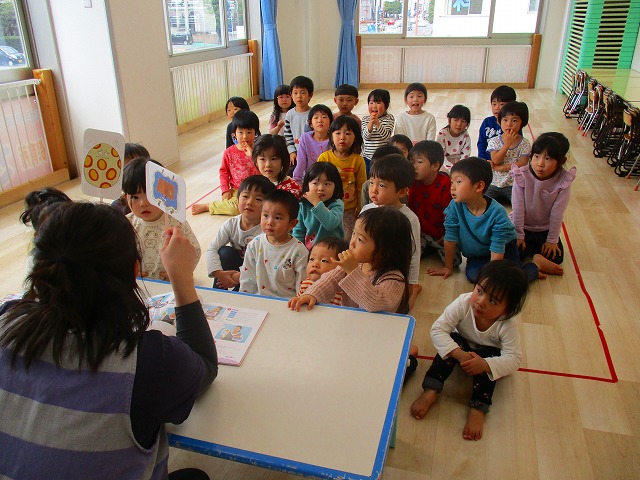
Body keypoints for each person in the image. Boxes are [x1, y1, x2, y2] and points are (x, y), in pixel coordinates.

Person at [0, 202, 218, 479]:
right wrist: (181, 277)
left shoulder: (5, 320)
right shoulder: (149, 361)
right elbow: (205, 364)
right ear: (134, 271)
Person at [410, 260, 529, 441]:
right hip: (462, 345)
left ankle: (478, 407)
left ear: (507, 310)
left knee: (491, 360)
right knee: (451, 343)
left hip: (486, 354)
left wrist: (485, 364)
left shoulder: (507, 325)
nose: (481, 302)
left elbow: (514, 358)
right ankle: (431, 390)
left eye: (492, 300)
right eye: (479, 291)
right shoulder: (463, 303)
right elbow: (438, 330)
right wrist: (458, 353)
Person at [426, 157, 560, 283]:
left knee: (502, 281)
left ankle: (535, 265)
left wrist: (493, 278)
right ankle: (523, 270)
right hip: (478, 253)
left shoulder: (497, 213)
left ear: (479, 186)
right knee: (474, 276)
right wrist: (448, 267)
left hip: (504, 250)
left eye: (459, 182)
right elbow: (450, 237)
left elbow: (497, 248)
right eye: (452, 182)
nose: (452, 187)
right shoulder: (454, 207)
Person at [288, 206, 411, 315]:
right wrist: (312, 294)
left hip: (375, 329)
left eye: (360, 239)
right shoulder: (357, 264)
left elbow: (375, 304)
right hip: (350, 322)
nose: (352, 243)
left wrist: (352, 271)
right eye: (353, 234)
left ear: (384, 250)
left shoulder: (394, 278)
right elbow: (330, 280)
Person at [361, 154, 422, 310]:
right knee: (366, 300)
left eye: (382, 185)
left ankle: (415, 292)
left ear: (401, 192)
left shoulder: (409, 219)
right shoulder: (367, 210)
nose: (373, 190)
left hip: (394, 273)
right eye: (371, 182)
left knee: (399, 310)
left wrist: (411, 283)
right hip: (369, 269)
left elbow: (414, 253)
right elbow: (358, 241)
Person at [123, 158, 201, 280]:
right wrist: (127, 270)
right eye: (135, 197)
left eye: (149, 196)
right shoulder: (126, 223)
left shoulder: (176, 223)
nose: (143, 203)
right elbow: (117, 253)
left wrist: (182, 272)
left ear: (163, 193)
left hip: (170, 282)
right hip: (138, 283)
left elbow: (194, 250)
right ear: (125, 197)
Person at [511, 132, 576, 268]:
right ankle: (533, 255)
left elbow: (557, 213)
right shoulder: (522, 175)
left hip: (544, 229)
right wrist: (519, 235)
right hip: (522, 226)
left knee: (557, 257)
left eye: (548, 159)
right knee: (512, 256)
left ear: (561, 161)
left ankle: (536, 256)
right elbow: (518, 209)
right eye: (536, 156)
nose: (540, 164)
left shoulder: (563, 181)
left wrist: (552, 240)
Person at [205, 175, 276, 291]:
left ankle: (240, 292)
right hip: (237, 267)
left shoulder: (267, 230)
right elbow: (212, 248)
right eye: (245, 196)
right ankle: (218, 292)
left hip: (257, 272)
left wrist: (238, 277)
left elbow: (266, 265)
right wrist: (219, 273)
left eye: (258, 199)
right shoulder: (231, 224)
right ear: (237, 199)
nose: (250, 202)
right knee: (224, 252)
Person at [239, 190, 308, 299]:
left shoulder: (299, 251)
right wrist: (244, 302)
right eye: (266, 215)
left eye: (277, 218)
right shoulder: (254, 245)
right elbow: (247, 280)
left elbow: (302, 287)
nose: (269, 222)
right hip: (259, 301)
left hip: (287, 304)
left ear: (292, 224)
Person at [192, 109, 261, 215]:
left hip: (259, 189)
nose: (245, 136)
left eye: (249, 132)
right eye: (240, 132)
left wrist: (253, 156)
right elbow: (224, 172)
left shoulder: (260, 151)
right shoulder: (229, 152)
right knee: (236, 208)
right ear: (234, 134)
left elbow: (264, 171)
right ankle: (209, 206)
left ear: (255, 132)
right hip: (238, 190)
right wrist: (225, 190)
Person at [408, 140, 460, 267]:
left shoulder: (445, 184)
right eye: (412, 162)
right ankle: (428, 248)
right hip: (420, 233)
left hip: (440, 234)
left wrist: (447, 234)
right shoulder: (412, 182)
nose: (414, 166)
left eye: (419, 162)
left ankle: (431, 248)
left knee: (454, 261)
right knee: (408, 258)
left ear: (435, 166)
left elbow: (450, 214)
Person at [317, 115, 366, 240]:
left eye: (348, 133)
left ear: (355, 137)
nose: (342, 137)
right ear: (331, 136)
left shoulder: (358, 160)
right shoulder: (324, 158)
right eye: (338, 133)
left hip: (349, 210)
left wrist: (360, 209)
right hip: (327, 208)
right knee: (327, 239)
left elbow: (361, 187)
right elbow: (317, 183)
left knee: (346, 239)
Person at [486, 101, 531, 204]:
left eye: (514, 120)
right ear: (499, 122)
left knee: (521, 204)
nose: (509, 124)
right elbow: (496, 160)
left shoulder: (524, 143)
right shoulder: (494, 141)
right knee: (484, 202)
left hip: (514, 184)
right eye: (505, 120)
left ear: (522, 123)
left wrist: (500, 168)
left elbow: (522, 164)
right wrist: (507, 144)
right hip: (494, 183)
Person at [293, 162, 345, 249]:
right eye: (315, 183)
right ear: (307, 185)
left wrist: (316, 203)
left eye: (327, 184)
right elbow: (298, 232)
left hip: (333, 251)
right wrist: (300, 251)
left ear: (335, 186)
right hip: (310, 252)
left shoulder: (337, 204)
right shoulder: (303, 205)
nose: (321, 188)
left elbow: (330, 224)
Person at [297, 236, 348, 306]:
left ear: (340, 267)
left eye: (324, 261)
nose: (315, 264)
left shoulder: (342, 292)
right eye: (312, 259)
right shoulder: (305, 284)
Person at [252, 134, 301, 198]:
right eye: (262, 159)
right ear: (256, 161)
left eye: (273, 159)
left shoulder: (292, 190)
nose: (268, 165)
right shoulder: (253, 186)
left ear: (283, 160)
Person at [292, 103, 332, 183]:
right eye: (316, 117)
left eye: (324, 117)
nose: (320, 120)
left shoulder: (334, 139)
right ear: (310, 123)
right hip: (310, 179)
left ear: (331, 122)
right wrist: (297, 181)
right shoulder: (305, 138)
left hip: (329, 179)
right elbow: (301, 162)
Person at [477, 85, 517, 160]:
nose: (497, 108)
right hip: (487, 161)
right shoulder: (487, 122)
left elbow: (516, 146)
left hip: (506, 161)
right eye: (494, 104)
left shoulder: (513, 125)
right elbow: (481, 144)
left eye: (502, 104)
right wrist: (482, 160)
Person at [361, 88, 395, 175]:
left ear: (386, 106)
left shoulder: (389, 118)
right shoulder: (365, 119)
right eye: (371, 102)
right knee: (368, 177)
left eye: (378, 103)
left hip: (383, 157)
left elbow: (386, 136)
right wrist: (371, 123)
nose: (374, 106)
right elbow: (365, 136)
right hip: (367, 158)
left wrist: (377, 123)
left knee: (381, 176)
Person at [284, 75, 314, 170]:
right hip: (296, 153)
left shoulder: (314, 114)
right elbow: (288, 135)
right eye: (295, 93)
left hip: (312, 153)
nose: (299, 96)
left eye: (303, 93)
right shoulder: (290, 114)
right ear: (291, 95)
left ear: (310, 95)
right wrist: (292, 151)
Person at [112, 142, 151, 215]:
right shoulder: (117, 207)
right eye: (127, 168)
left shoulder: (160, 195)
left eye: (138, 165)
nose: (134, 172)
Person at [437, 104, 472, 173]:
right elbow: (440, 155)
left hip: (460, 165)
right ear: (449, 120)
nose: (459, 124)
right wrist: (451, 169)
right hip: (444, 164)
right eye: (456, 120)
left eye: (463, 121)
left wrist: (458, 168)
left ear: (467, 124)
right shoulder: (442, 134)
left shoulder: (466, 136)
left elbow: (465, 155)